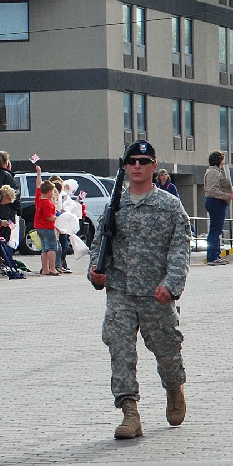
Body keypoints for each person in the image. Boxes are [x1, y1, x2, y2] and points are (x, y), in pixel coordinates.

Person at [89, 140, 190, 440]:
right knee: (120, 350)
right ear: (125, 166)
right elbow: (99, 244)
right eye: (131, 161)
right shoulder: (114, 205)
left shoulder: (169, 205)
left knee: (167, 350)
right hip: (120, 290)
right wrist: (95, 272)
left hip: (155, 292)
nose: (136, 166)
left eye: (143, 162)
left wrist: (171, 285)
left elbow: (180, 248)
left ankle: (174, 387)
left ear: (153, 166)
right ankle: (130, 412)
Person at [204, 151, 233, 266]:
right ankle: (212, 257)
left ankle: (216, 254)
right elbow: (212, 190)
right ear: (218, 161)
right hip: (215, 202)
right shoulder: (213, 172)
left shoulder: (216, 171)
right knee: (215, 230)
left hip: (217, 202)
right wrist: (227, 196)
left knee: (216, 229)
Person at [33, 166, 58, 275]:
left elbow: (38, 184)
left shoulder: (39, 198)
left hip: (38, 226)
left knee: (44, 249)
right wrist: (59, 217)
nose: (53, 193)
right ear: (48, 192)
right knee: (52, 247)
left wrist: (39, 173)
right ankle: (52, 268)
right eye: (53, 191)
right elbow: (49, 216)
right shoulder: (47, 202)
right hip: (47, 226)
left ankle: (45, 269)